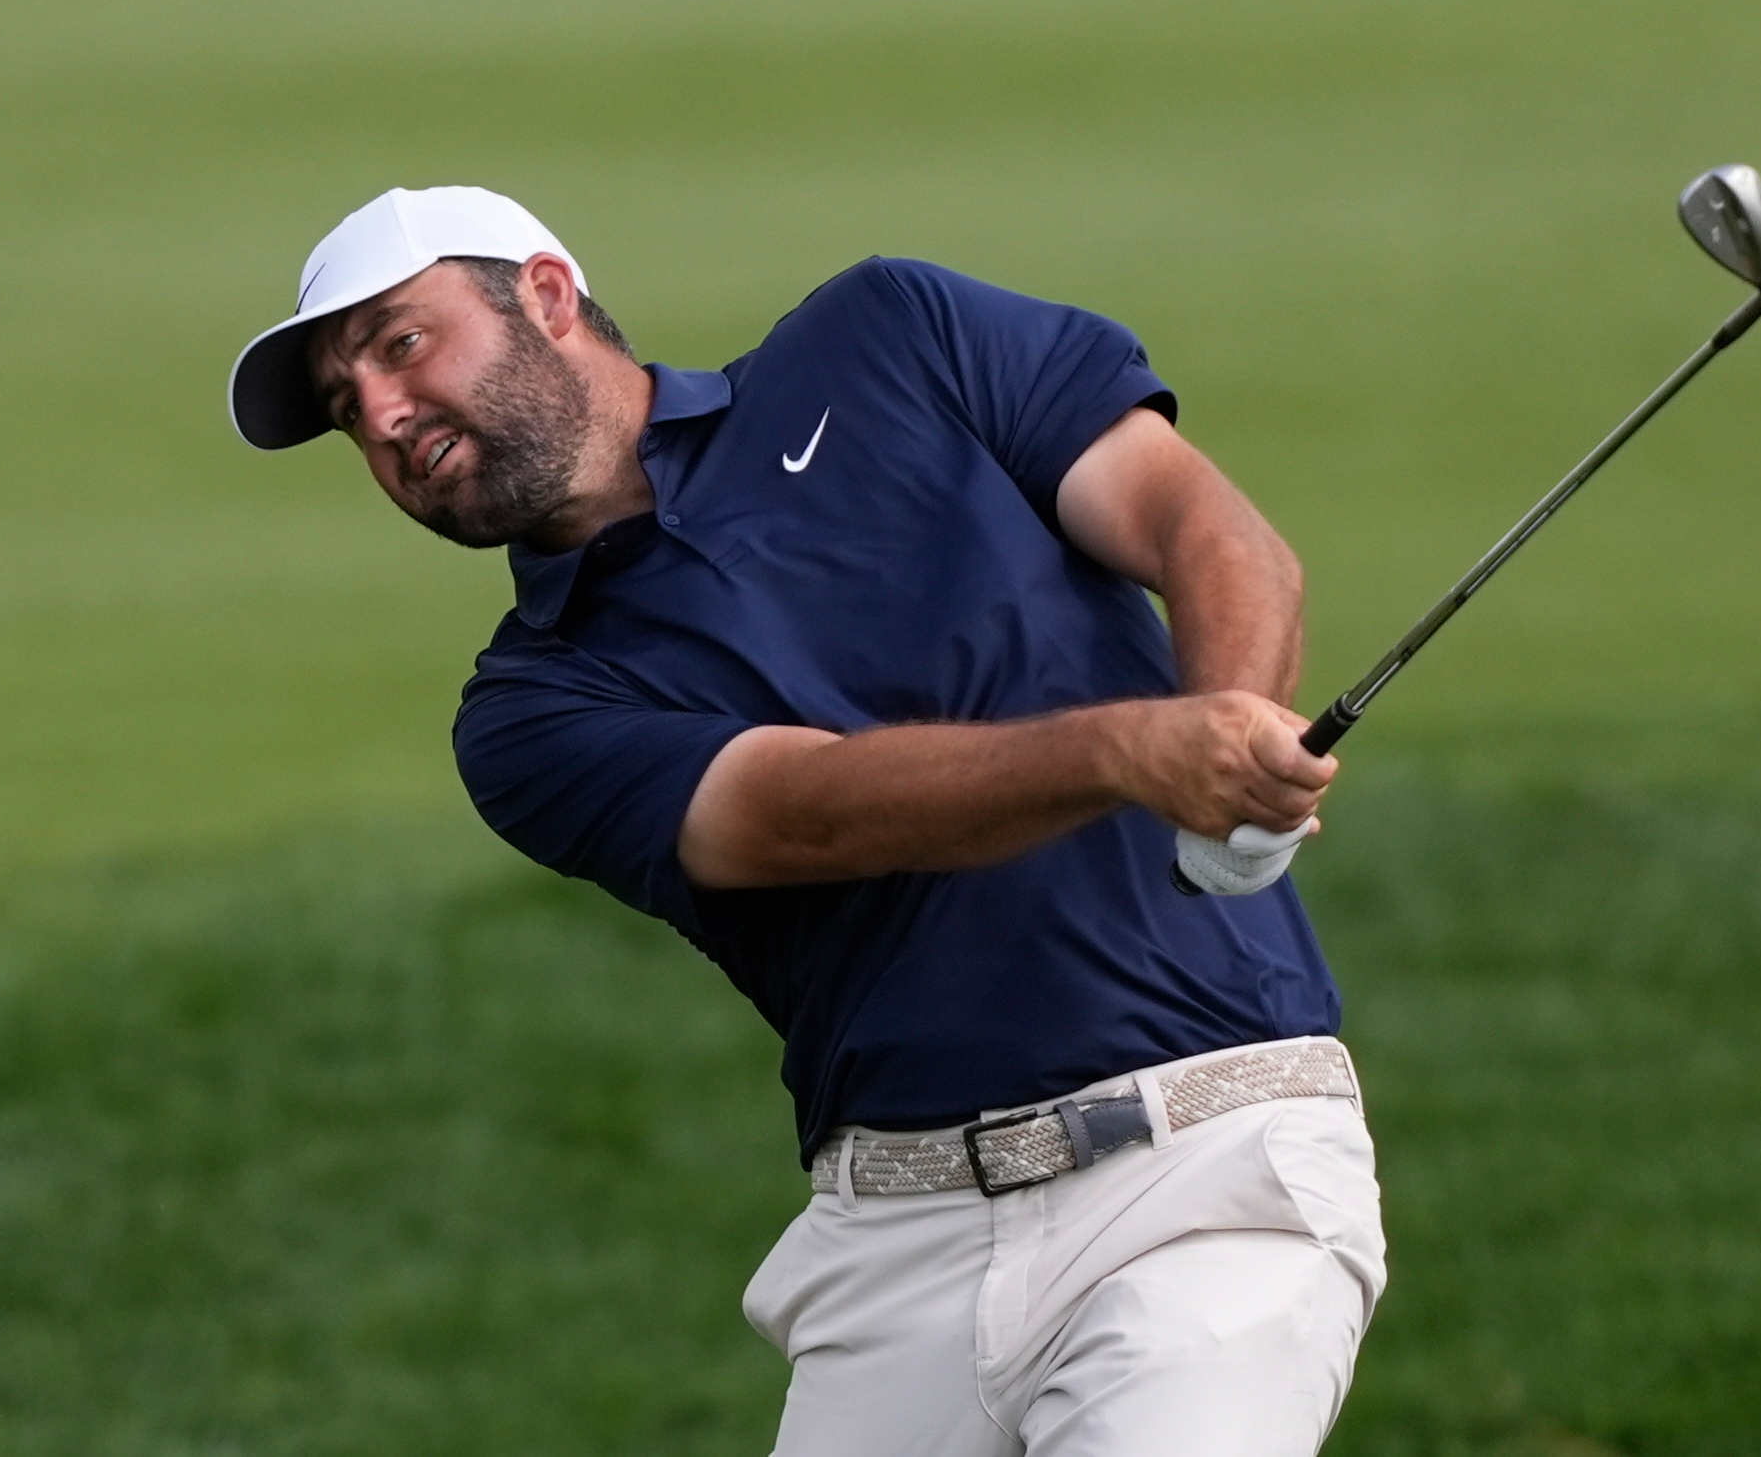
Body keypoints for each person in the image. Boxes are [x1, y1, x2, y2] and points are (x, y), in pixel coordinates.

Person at [229, 186, 1384, 1457]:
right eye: (347, 409)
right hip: (895, 1246)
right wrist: (1129, 750)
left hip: (1204, 1166)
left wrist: (1230, 735)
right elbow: (810, 814)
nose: (383, 418)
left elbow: (1202, 527)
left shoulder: (892, 335)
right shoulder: (527, 711)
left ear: (546, 296)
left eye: (401, 344)